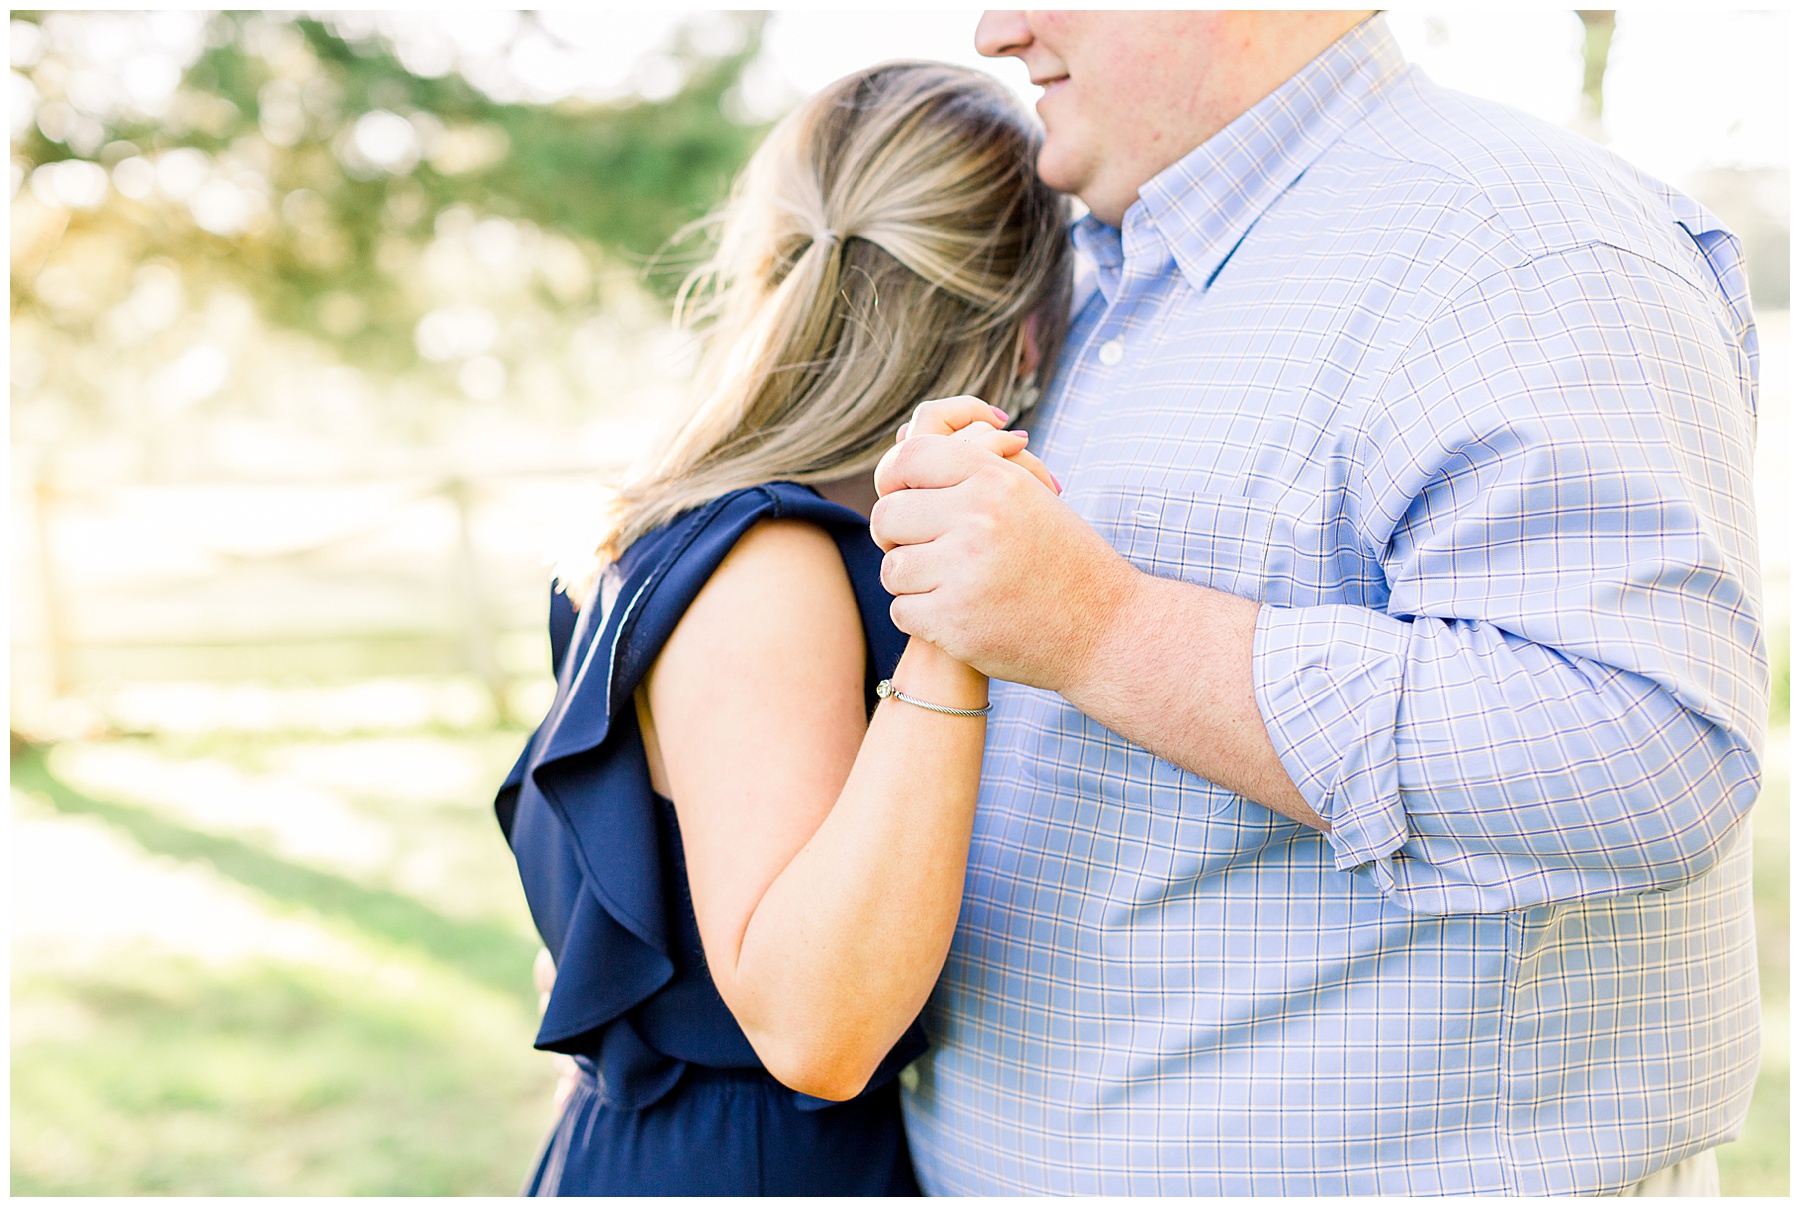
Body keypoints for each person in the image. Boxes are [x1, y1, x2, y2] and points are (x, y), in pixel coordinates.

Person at [872, 11, 1766, 1196]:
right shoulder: (1100, 267)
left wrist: (1105, 630)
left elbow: (1642, 756)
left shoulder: (1526, 245)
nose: (998, 29)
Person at [493, 61, 1070, 1196]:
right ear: (1032, 328)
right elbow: (813, 1026)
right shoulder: (771, 564)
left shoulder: (704, 528)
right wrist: (957, 609)